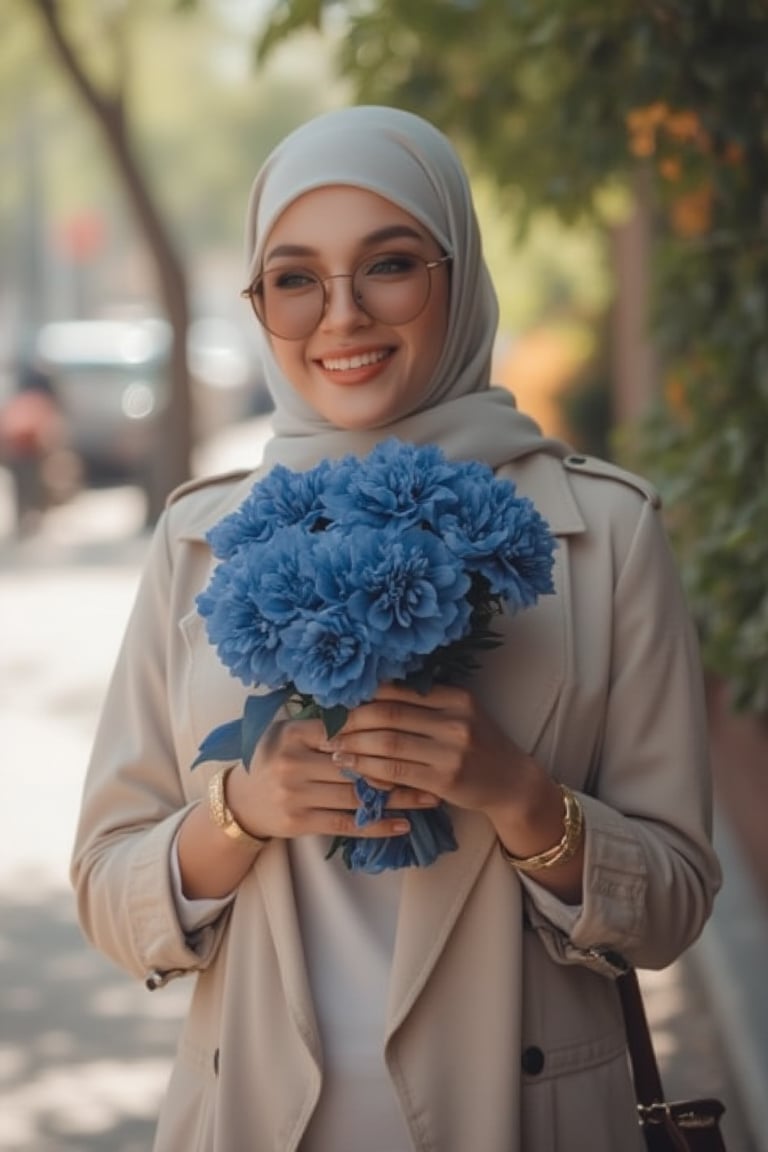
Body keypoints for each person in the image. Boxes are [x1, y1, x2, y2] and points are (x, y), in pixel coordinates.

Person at [71, 105, 721, 1152]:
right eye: (295, 278)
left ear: (456, 277)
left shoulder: (604, 533)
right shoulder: (201, 538)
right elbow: (107, 889)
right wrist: (239, 811)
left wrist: (521, 797)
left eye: (390, 265)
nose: (342, 317)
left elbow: (675, 903)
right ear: (260, 300)